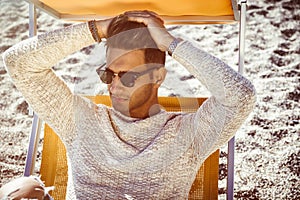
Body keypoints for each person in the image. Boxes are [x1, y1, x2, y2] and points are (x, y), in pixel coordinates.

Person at [1, 10, 256, 199]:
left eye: (129, 76)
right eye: (108, 74)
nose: (114, 87)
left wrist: (170, 44)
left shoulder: (188, 135)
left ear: (158, 76)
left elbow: (240, 95)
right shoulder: (80, 119)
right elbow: (19, 63)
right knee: (20, 191)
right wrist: (98, 28)